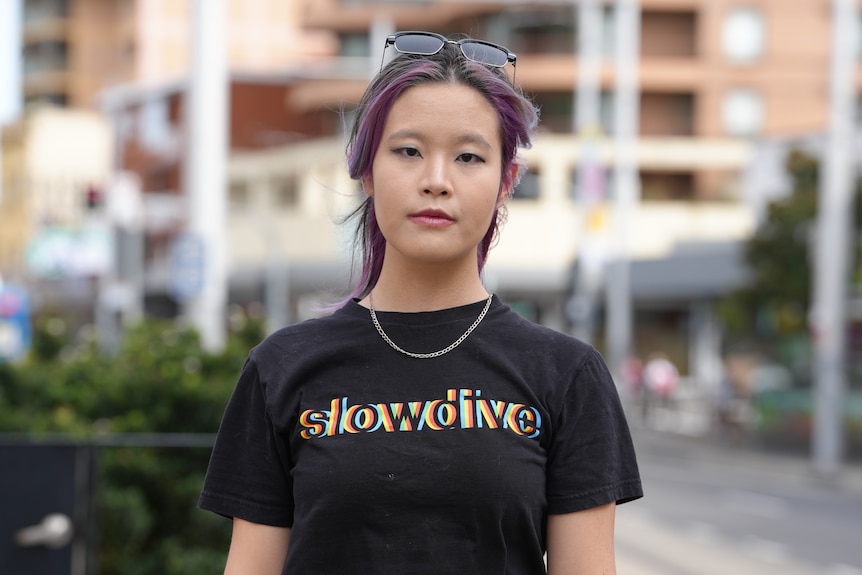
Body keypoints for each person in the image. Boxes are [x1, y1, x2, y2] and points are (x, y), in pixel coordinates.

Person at [199, 30, 643, 574]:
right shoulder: (280, 367)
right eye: (408, 151)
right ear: (365, 170)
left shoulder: (567, 374)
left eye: (468, 157)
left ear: (507, 181)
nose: (436, 181)